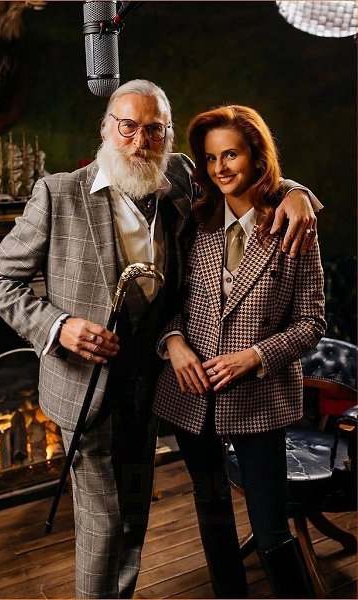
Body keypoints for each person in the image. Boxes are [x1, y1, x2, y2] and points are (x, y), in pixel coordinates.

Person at [0, 81, 321, 599]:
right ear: (106, 128)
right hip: (85, 391)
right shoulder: (57, 194)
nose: (141, 141)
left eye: (154, 129)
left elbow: (251, 168)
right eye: (128, 126)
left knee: (133, 518)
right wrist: (58, 326)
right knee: (104, 523)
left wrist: (298, 192)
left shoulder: (181, 179)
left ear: (167, 135)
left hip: (148, 391)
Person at [153, 104, 326, 599]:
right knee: (212, 516)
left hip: (260, 398)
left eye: (230, 155)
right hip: (191, 395)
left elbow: (312, 322)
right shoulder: (193, 223)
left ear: (256, 157)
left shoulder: (294, 225)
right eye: (210, 159)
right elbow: (165, 304)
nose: (220, 168)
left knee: (271, 529)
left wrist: (256, 357)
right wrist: (173, 342)